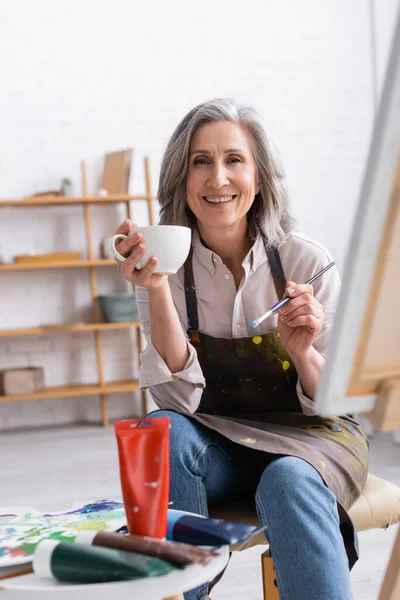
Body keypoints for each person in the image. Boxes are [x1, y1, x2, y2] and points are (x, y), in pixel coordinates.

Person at [113, 98, 369, 600]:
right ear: (180, 180)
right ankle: (185, 590)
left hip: (313, 441)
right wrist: (159, 290)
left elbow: (341, 403)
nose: (218, 179)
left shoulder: (304, 259)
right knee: (160, 432)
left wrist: (303, 353)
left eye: (235, 160)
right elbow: (178, 403)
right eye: (200, 161)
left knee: (287, 479)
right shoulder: (161, 266)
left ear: (259, 175)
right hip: (221, 441)